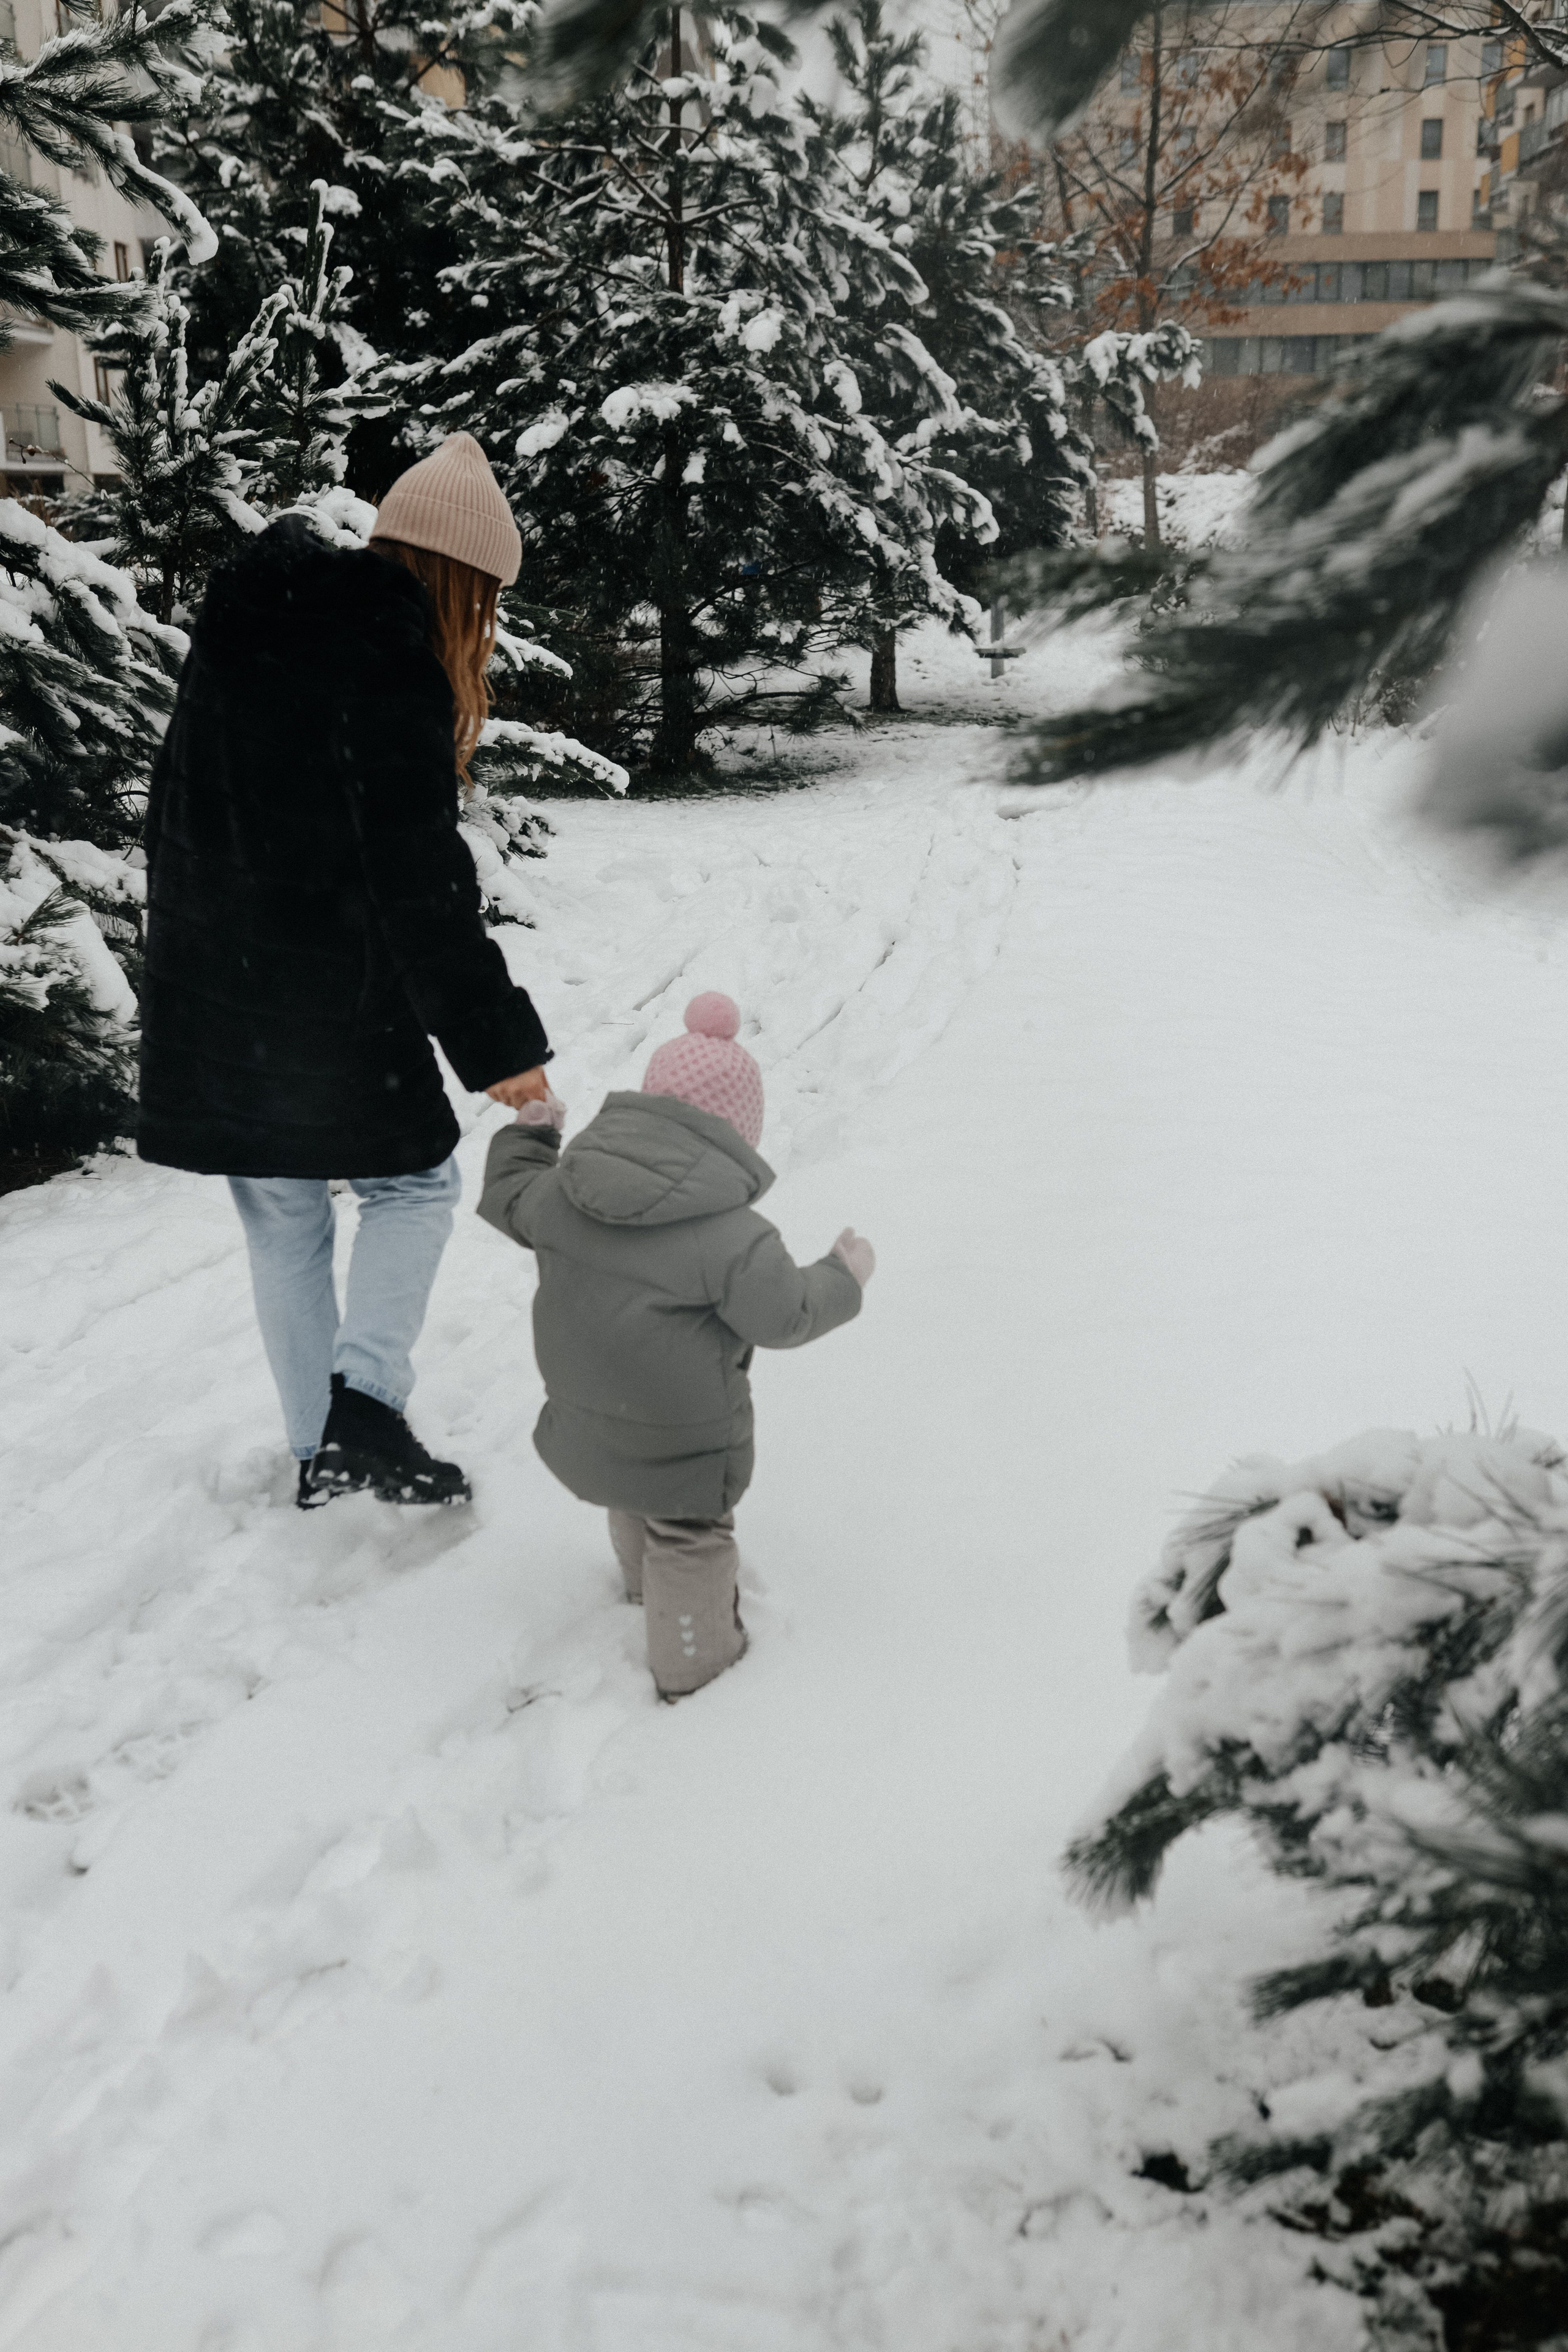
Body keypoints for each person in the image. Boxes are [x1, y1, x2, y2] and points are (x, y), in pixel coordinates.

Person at [137, 434, 551, 1507]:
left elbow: (175, 799)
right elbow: (416, 877)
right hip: (322, 990)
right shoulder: (389, 661)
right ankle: (364, 1405)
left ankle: (321, 1449)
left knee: (282, 1218)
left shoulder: (246, 623)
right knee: (416, 1185)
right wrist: (495, 1045)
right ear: (465, 586)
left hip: (216, 974)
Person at [477, 993, 875, 1698]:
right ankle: (693, 1668)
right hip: (682, 1426)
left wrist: (531, 1136)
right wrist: (842, 1277)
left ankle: (642, 1590)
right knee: (687, 1529)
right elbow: (786, 1316)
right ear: (735, 1134)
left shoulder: (564, 1192)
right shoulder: (733, 1237)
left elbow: (509, 1197)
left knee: (631, 1490)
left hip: (588, 1404)